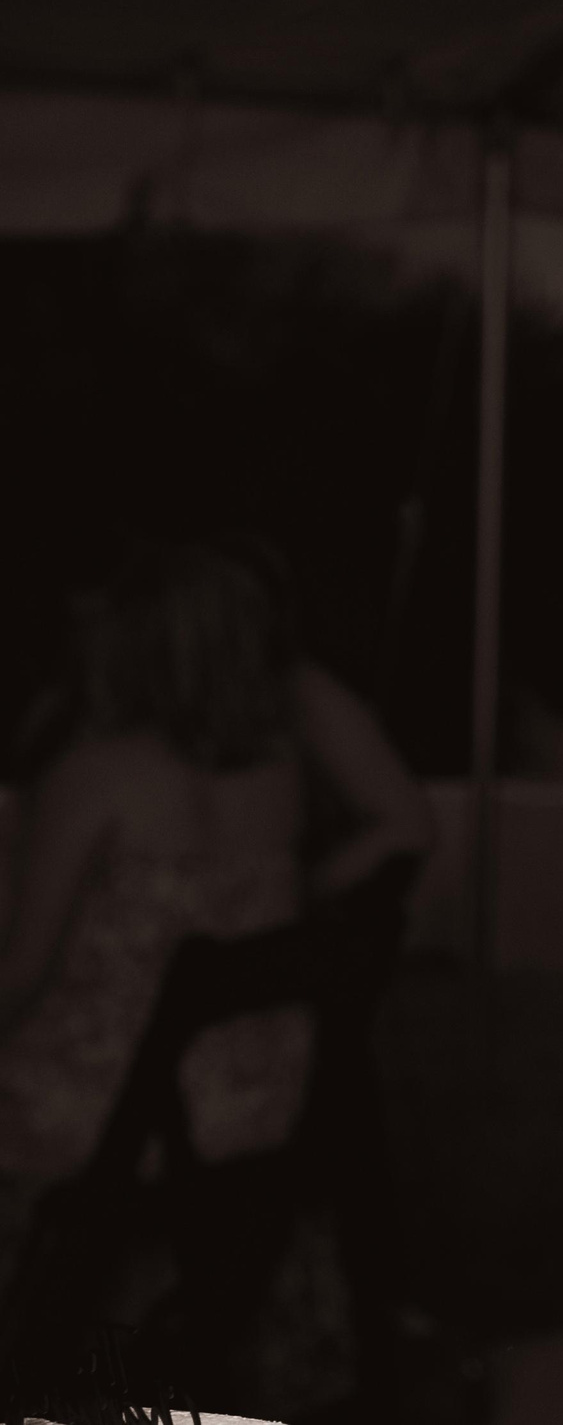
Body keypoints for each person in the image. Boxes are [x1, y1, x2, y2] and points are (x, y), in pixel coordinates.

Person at [0, 541, 428, 1301]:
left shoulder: (92, 779)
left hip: (106, 1106)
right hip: (250, 1104)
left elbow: (21, 976)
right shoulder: (277, 777)